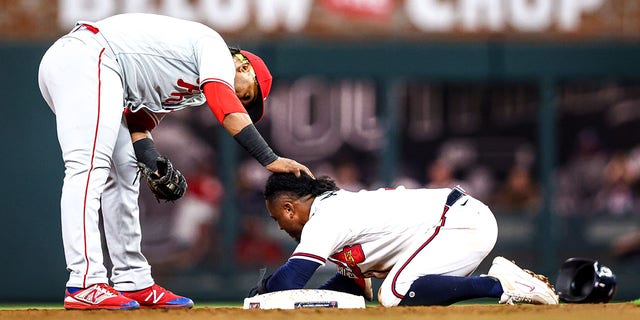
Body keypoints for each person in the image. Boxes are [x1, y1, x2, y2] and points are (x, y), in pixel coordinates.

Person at [37, 13, 312, 310]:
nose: (243, 100)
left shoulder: (192, 92)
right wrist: (270, 159)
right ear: (242, 65)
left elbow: (138, 126)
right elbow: (229, 111)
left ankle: (133, 280)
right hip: (87, 56)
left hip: (99, 69)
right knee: (89, 168)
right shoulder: (215, 49)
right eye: (247, 93)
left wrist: (153, 161)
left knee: (125, 171)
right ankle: (84, 281)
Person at [249, 173, 559, 307]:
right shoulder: (333, 213)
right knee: (396, 291)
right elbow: (353, 287)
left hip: (458, 222)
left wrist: (263, 293)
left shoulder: (325, 217)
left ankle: (501, 285)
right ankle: (503, 283)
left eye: (277, 217)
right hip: (459, 222)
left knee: (395, 293)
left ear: (289, 208)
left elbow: (289, 281)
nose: (279, 227)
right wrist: (316, 303)